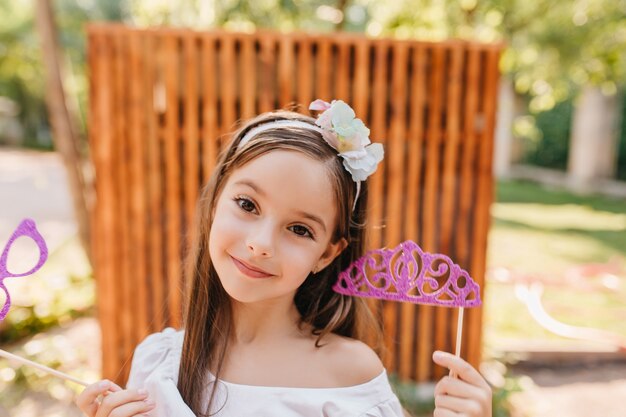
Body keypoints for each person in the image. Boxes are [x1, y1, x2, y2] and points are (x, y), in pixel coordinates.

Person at [76, 100, 492, 417]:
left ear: (326, 253)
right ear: (215, 201)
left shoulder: (348, 375)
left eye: (299, 230)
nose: (261, 243)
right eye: (247, 204)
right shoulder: (159, 360)